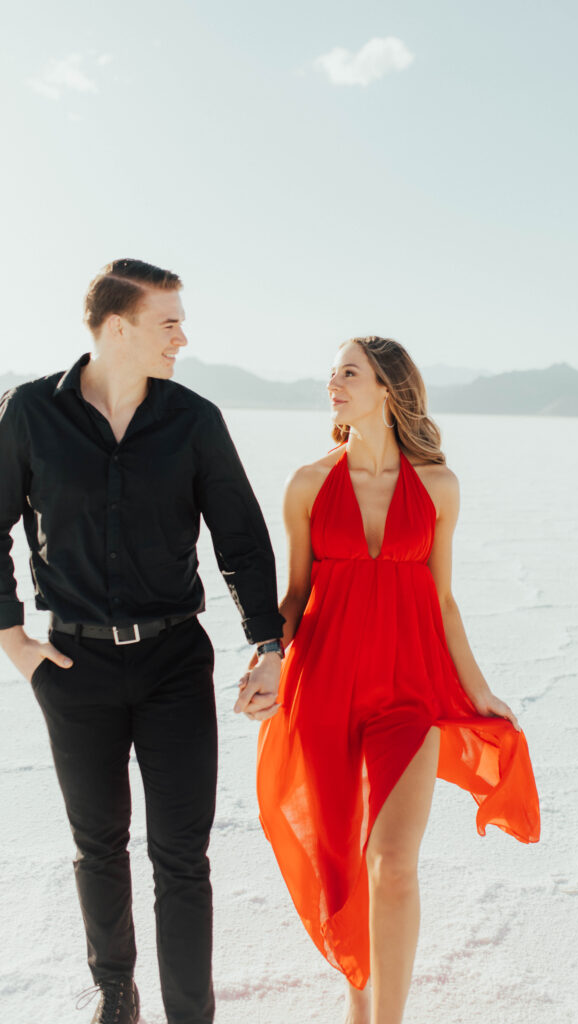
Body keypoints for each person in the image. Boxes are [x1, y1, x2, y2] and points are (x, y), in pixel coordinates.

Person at [0, 259, 284, 1024]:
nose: (182, 338)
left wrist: (269, 644)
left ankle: (190, 1014)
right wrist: (13, 640)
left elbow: (242, 539)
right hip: (73, 664)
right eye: (168, 323)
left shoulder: (192, 420)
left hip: (172, 664)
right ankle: (116, 992)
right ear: (117, 326)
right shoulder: (29, 413)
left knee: (181, 858)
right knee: (98, 846)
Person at [237, 336, 540, 1024]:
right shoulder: (309, 484)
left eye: (348, 373)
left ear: (387, 389)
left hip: (409, 691)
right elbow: (295, 596)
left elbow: (442, 601)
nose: (332, 384)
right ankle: (357, 1005)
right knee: (342, 861)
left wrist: (477, 690)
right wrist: (267, 659)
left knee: (393, 861)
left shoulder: (437, 485)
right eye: (333, 373)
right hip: (322, 685)